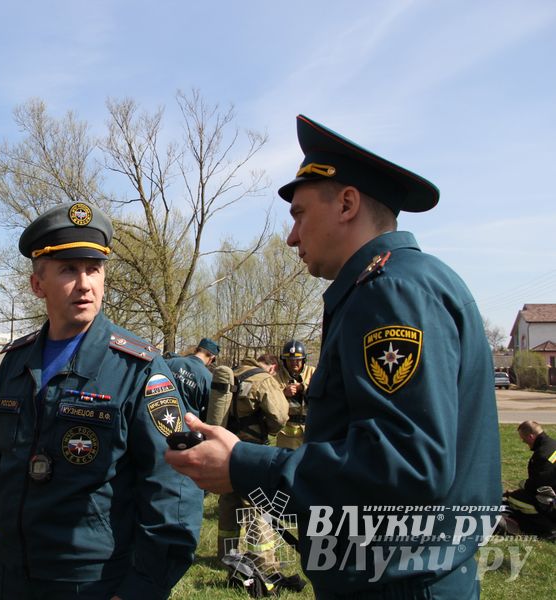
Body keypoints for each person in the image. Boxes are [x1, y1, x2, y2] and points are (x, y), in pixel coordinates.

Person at [166, 114, 501, 598]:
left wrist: (242, 463)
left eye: (299, 214)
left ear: (346, 203)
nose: (291, 237)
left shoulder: (390, 293)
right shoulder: (412, 282)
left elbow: (406, 465)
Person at [0, 202, 202, 600]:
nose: (85, 283)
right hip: (12, 578)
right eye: (69, 269)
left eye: (94, 269)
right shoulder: (17, 362)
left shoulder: (139, 368)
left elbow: (173, 486)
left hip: (92, 583)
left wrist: (144, 586)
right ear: (38, 285)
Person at [216, 354, 288, 561]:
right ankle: (262, 558)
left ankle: (226, 555)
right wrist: (269, 429)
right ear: (272, 368)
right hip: (252, 451)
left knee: (228, 500)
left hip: (226, 447)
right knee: (257, 503)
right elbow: (280, 416)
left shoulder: (232, 374)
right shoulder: (264, 380)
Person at [502, 421, 556, 538]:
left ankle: (548, 529)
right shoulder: (553, 445)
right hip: (552, 493)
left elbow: (538, 485)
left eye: (524, 439)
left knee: (516, 499)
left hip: (551, 502)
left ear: (531, 436)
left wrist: (518, 489)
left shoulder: (542, 454)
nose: (523, 442)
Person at [274, 339, 315, 449]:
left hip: (311, 431)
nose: (294, 363)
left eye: (297, 360)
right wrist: (283, 393)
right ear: (284, 360)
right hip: (286, 434)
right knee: (286, 462)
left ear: (303, 359)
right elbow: (270, 399)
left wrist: (303, 387)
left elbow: (323, 391)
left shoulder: (313, 372)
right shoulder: (277, 377)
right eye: (290, 360)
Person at [165, 337, 220, 416]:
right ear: (212, 358)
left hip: (158, 416)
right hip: (186, 425)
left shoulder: (171, 362)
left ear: (195, 350)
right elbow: (209, 410)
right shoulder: (208, 378)